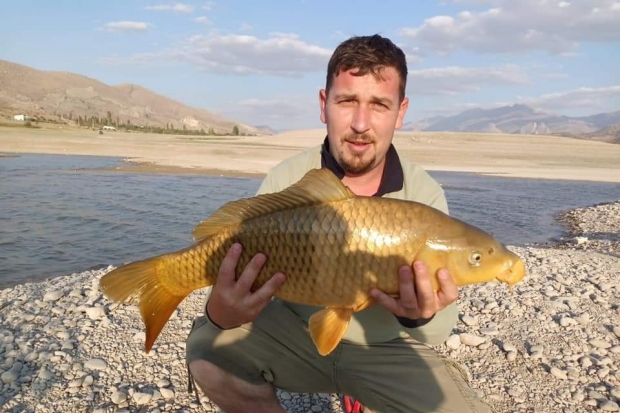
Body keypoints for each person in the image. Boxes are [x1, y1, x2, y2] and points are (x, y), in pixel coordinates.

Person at [186, 34, 495, 413]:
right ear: (324, 104)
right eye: (347, 101)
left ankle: (362, 391)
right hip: (296, 337)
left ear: (400, 112)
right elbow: (231, 296)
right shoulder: (287, 177)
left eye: (379, 104)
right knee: (207, 349)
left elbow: (436, 333)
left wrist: (419, 315)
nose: (361, 124)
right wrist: (222, 313)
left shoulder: (424, 195)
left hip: (386, 348)